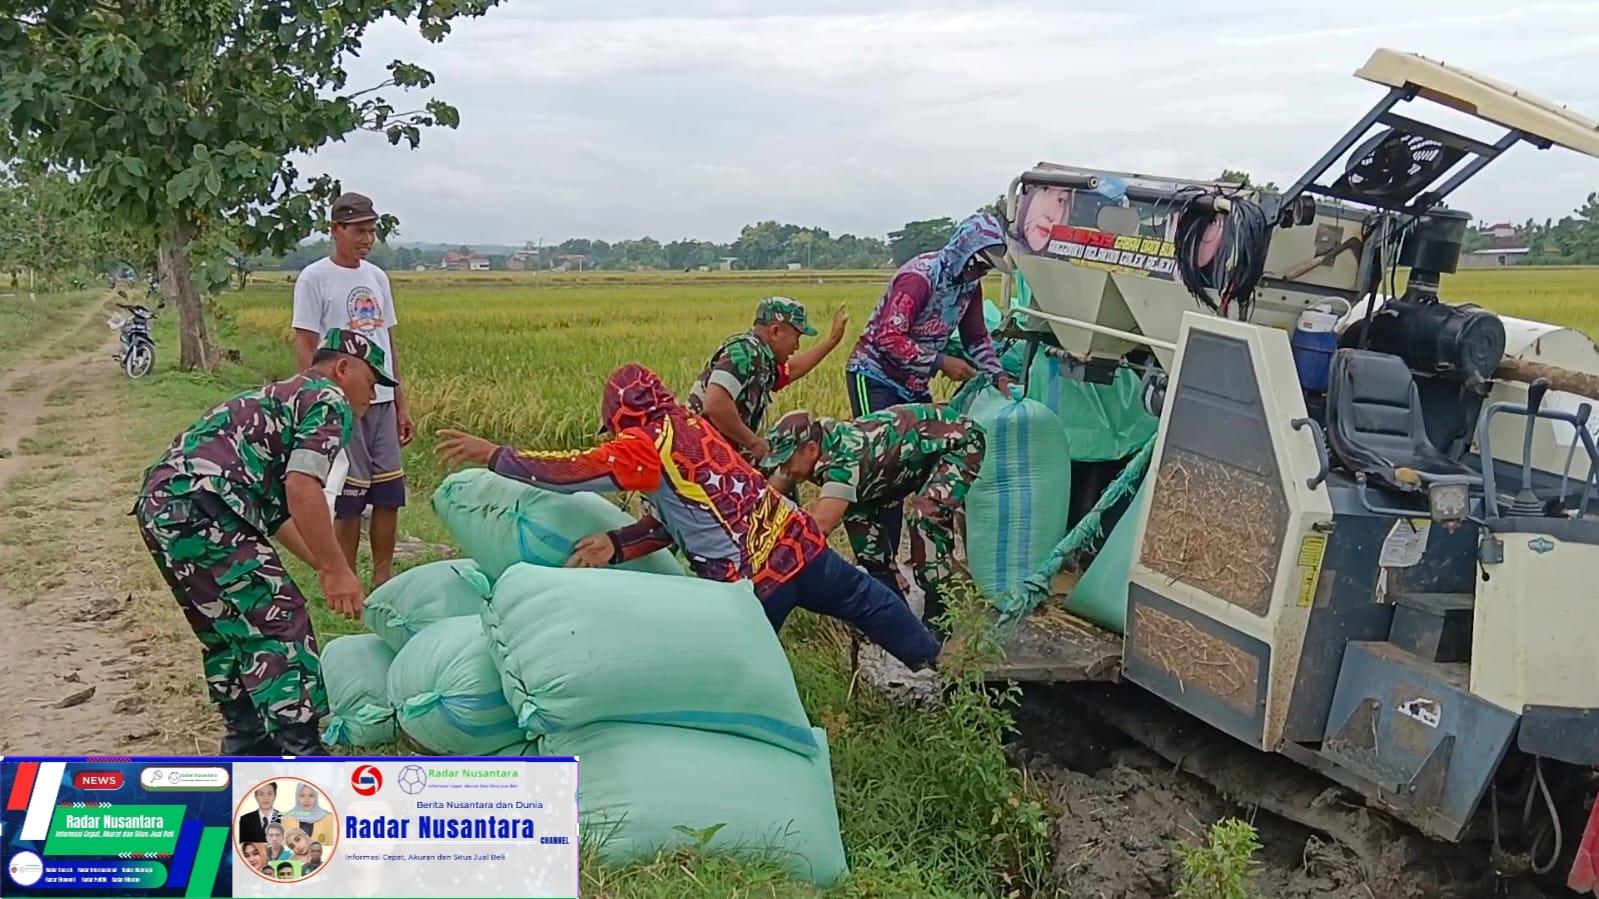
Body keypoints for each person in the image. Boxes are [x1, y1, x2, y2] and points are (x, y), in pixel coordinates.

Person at [435, 363, 942, 670]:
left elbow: (574, 471)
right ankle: (935, 661)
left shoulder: (645, 442)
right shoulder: (689, 425)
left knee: (735, 665)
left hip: (753, 581)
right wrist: (618, 544)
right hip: (798, 544)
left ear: (621, 417)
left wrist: (496, 455)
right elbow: (687, 515)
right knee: (865, 599)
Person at [133, 329, 396, 756]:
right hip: (206, 504)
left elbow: (280, 517)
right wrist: (335, 569)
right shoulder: (329, 399)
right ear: (343, 368)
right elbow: (303, 486)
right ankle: (303, 752)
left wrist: (325, 565)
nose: (372, 395)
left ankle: (247, 744)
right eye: (371, 381)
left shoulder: (283, 396)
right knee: (279, 618)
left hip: (163, 504)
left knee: (226, 626)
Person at [845, 212, 1013, 565]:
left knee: (928, 460)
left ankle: (925, 559)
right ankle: (879, 564)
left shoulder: (970, 286)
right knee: (885, 466)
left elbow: (975, 337)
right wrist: (941, 363)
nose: (980, 274)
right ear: (963, 252)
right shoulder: (919, 279)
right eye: (978, 266)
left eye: (986, 270)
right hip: (875, 375)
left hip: (912, 383)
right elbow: (889, 336)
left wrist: (996, 372)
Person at [760, 406, 985, 638]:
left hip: (958, 443)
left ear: (811, 449)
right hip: (906, 462)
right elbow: (773, 490)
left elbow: (821, 527)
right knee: (863, 535)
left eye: (786, 461)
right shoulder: (814, 445)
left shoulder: (843, 460)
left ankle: (939, 615)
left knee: (924, 520)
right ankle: (894, 613)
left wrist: (774, 557)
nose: (784, 469)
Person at [292, 191, 414, 589]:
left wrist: (400, 403)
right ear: (336, 230)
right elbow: (306, 344)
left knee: (388, 493)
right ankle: (342, 573)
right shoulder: (314, 278)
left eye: (372, 231)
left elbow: (387, 342)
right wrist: (320, 402)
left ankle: (383, 577)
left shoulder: (377, 277)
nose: (367, 239)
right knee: (349, 496)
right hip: (342, 404)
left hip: (379, 401)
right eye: (359, 231)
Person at [685, 297, 848, 462]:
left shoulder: (762, 359)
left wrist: (831, 342)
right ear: (776, 331)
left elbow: (791, 370)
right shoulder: (745, 351)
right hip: (698, 454)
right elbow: (715, 403)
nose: (797, 346)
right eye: (796, 337)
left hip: (714, 453)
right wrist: (753, 442)